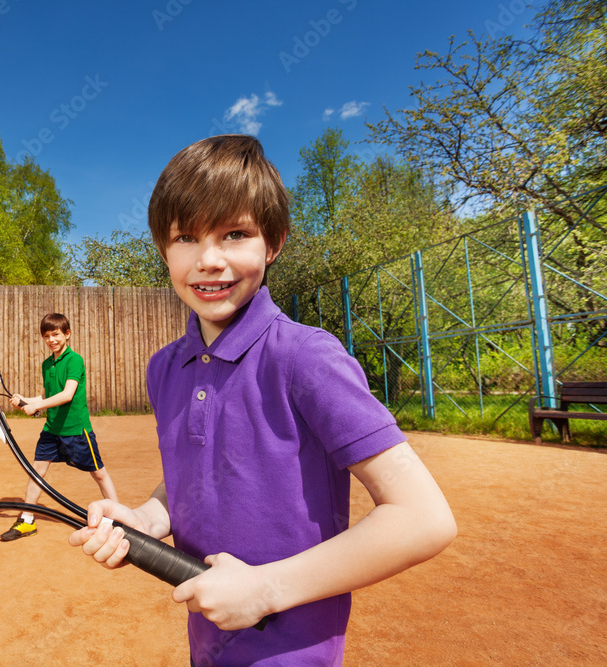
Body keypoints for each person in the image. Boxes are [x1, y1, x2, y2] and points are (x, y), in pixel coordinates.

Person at [68, 135, 457, 665]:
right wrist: (149, 520)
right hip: (208, 644)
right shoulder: (163, 368)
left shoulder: (306, 357)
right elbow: (194, 474)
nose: (209, 260)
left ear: (271, 244)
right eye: (185, 237)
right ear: (163, 249)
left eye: (235, 234)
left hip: (295, 654)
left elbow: (424, 517)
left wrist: (266, 589)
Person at [0, 312, 119, 541]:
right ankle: (27, 519)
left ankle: (118, 517)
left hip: (76, 430)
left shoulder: (75, 360)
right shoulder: (47, 364)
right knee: (37, 471)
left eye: (55, 334)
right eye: (46, 336)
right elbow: (47, 396)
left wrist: (38, 406)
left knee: (99, 474)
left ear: (67, 334)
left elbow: (67, 394)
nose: (51, 340)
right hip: (52, 430)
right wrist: (26, 400)